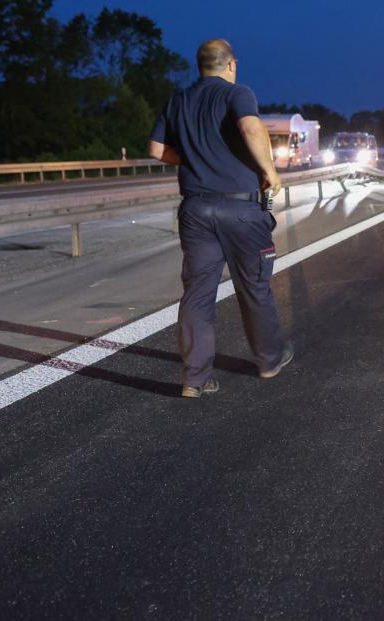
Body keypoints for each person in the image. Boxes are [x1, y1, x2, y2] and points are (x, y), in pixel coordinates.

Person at [148, 39, 293, 398]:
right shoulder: (237, 93)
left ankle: (195, 380)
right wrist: (270, 172)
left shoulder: (178, 100)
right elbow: (250, 128)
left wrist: (194, 160)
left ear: (200, 66)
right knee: (254, 286)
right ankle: (269, 360)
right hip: (241, 209)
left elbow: (154, 149)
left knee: (197, 293)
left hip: (196, 210)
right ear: (231, 65)